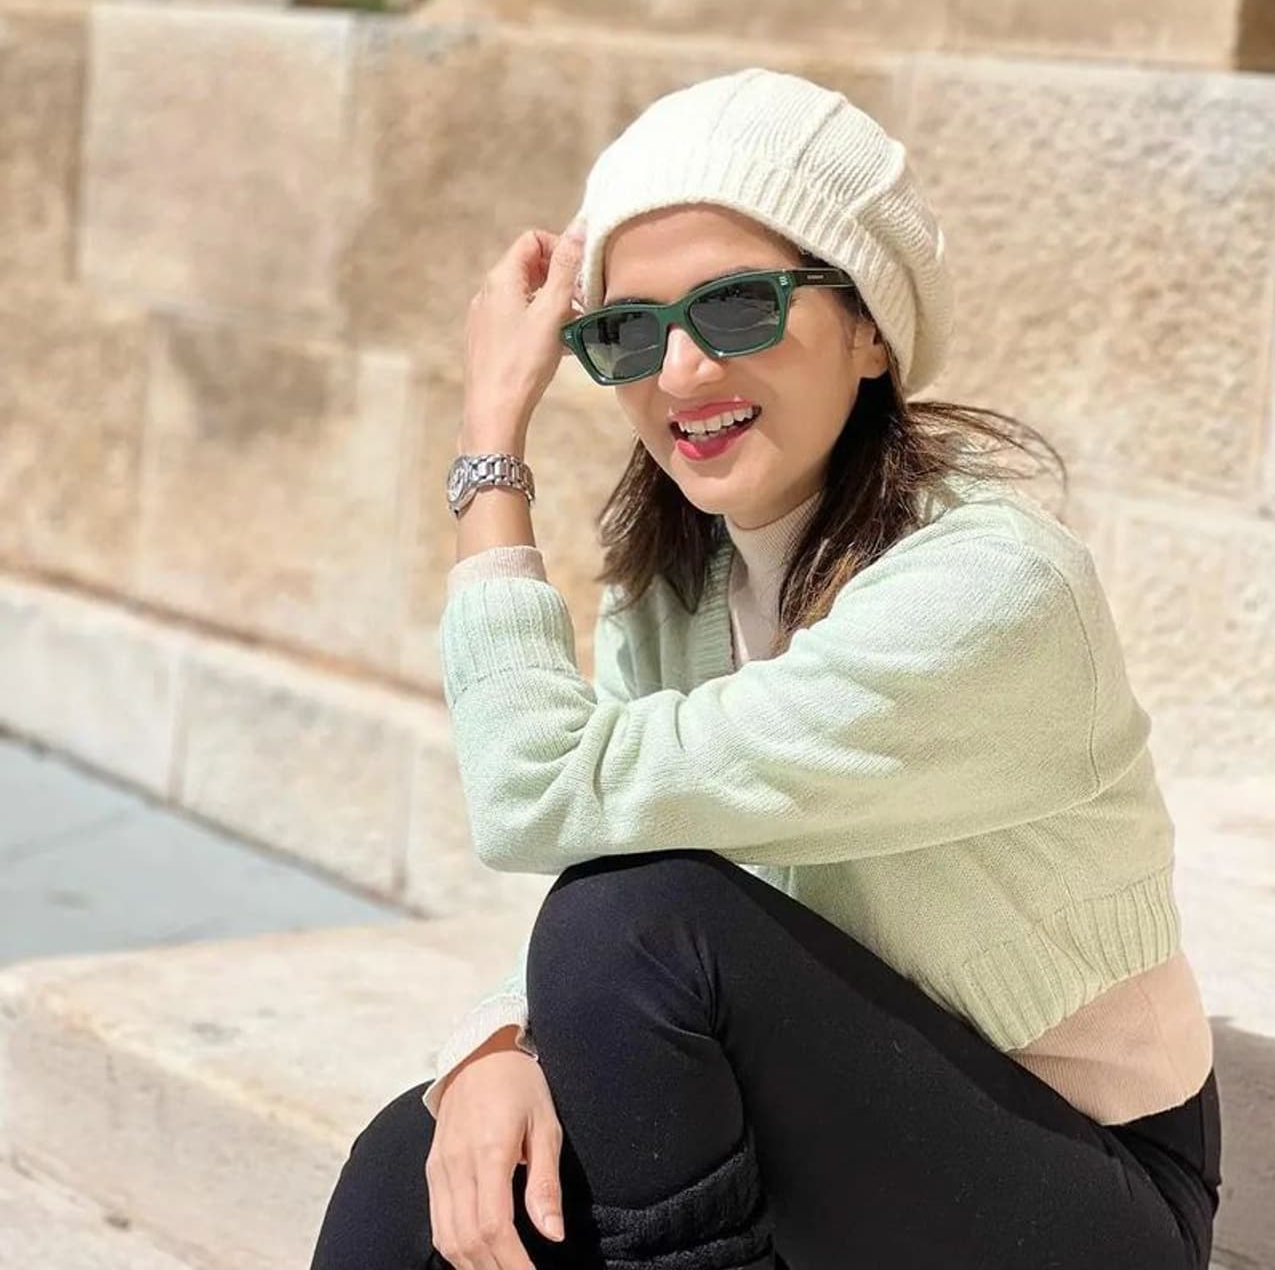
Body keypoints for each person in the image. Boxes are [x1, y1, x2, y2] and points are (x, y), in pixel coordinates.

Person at [310, 68, 1223, 1270]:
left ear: (867, 329)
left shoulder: (989, 589)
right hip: (825, 1124)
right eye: (626, 330)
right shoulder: (676, 583)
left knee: (627, 928)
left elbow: (537, 791)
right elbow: (607, 837)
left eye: (738, 306)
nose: (681, 371)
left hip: (1078, 1183)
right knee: (415, 1163)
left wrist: (491, 444)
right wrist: (496, 1047)